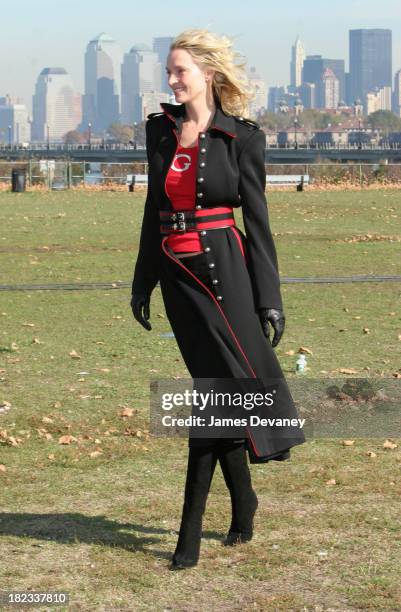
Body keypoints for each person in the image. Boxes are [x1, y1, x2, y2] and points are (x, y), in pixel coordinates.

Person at [131, 29, 306, 570]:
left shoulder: (243, 139)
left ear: (208, 72)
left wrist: (268, 299)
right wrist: (142, 281)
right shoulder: (159, 131)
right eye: (168, 71)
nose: (171, 79)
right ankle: (245, 503)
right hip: (177, 277)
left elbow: (258, 224)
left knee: (215, 401)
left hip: (226, 275)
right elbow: (151, 211)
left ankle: (188, 537)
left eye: (180, 70)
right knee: (220, 395)